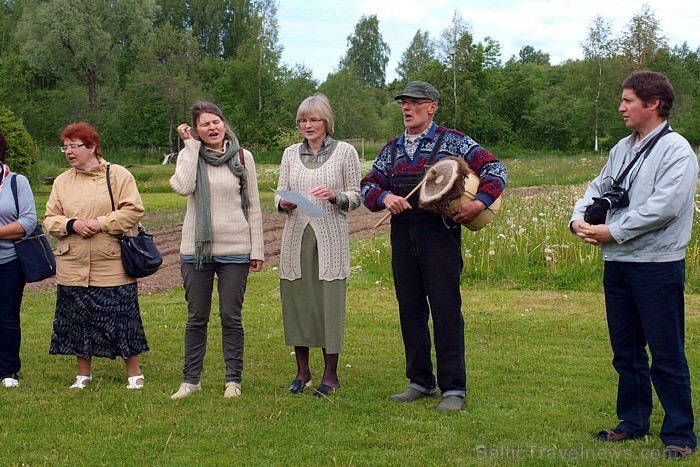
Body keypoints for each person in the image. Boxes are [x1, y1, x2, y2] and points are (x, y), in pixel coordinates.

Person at [571, 70, 697, 459]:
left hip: (657, 264)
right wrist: (579, 219)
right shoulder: (622, 148)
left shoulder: (677, 151)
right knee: (625, 349)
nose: (621, 107)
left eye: (628, 100)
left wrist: (613, 231)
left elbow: (664, 208)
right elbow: (597, 188)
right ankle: (633, 421)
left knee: (666, 351)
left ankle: (679, 434)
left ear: (653, 103)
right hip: (619, 263)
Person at [361, 81, 507, 412]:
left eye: (414, 102)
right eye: (403, 103)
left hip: (440, 235)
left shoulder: (453, 141)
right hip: (402, 236)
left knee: (445, 311)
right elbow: (368, 185)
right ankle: (420, 381)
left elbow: (496, 169)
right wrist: (385, 197)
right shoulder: (392, 149)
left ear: (432, 107)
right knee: (409, 309)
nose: (406, 108)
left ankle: (454, 388)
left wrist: (480, 202)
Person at [169, 102, 264, 400]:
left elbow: (254, 205)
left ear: (224, 123)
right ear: (195, 129)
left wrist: (257, 249)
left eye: (216, 122)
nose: (212, 128)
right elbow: (183, 186)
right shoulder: (190, 155)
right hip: (195, 251)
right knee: (196, 317)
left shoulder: (241, 156)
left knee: (230, 317)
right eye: (205, 124)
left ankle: (233, 381)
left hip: (235, 249)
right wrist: (189, 147)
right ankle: (191, 380)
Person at [45, 122, 149, 390]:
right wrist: (72, 225)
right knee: (78, 320)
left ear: (91, 147)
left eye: (74, 146)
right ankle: (83, 374)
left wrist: (101, 223)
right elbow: (50, 220)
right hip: (73, 265)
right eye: (65, 147)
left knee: (123, 319)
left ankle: (133, 372)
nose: (68, 152)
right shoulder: (61, 181)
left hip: (111, 262)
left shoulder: (118, 175)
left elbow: (134, 210)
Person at [275, 94, 361, 397]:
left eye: (314, 119)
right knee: (298, 300)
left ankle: (330, 376)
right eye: (303, 120)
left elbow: (356, 195)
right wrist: (282, 202)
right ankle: (302, 372)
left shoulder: (345, 152)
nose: (308, 125)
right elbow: (280, 192)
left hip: (330, 240)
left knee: (329, 303)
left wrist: (336, 196)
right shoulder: (289, 154)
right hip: (295, 238)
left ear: (327, 122)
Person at [0, 132, 38, 388]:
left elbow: (28, 221)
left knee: (6, 316)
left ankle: (8, 371)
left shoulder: (16, 182)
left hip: (8, 262)